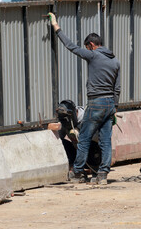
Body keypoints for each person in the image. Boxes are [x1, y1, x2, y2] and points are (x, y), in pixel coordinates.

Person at [48, 13, 120, 185]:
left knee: (85, 138)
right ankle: (102, 175)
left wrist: (56, 27)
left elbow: (71, 46)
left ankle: (78, 172)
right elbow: (117, 88)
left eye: (87, 47)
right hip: (110, 103)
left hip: (96, 103)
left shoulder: (93, 55)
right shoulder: (115, 61)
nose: (87, 50)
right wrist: (115, 107)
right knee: (105, 140)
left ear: (92, 45)